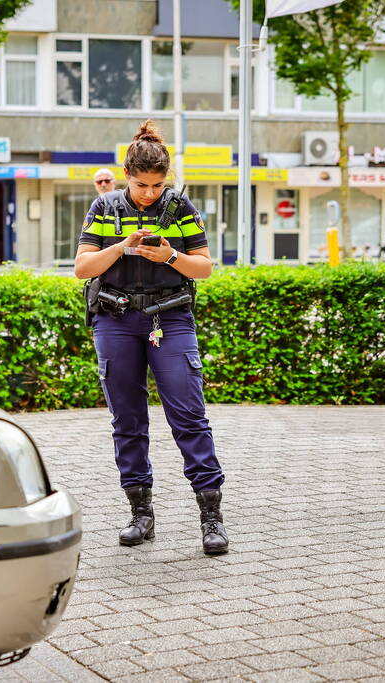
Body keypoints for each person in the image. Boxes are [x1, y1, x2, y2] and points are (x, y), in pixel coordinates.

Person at [75, 120, 229, 555]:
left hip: (170, 318)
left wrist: (171, 255)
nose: (149, 193)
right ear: (127, 175)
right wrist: (121, 246)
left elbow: (204, 267)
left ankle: (211, 516)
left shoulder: (180, 207)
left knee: (188, 415)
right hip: (115, 319)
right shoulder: (104, 207)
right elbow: (83, 268)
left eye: (157, 185)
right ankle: (141, 514)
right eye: (141, 185)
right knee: (127, 421)